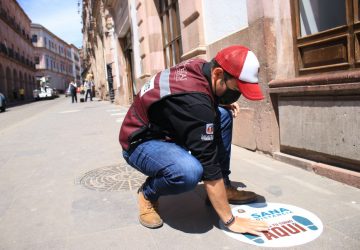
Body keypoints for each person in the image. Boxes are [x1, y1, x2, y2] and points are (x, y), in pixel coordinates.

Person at [119, 45, 268, 235]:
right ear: (218, 73)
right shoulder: (195, 104)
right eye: (236, 88)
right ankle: (147, 194)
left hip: (166, 129)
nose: (237, 94)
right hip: (140, 142)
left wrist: (220, 101)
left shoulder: (200, 66)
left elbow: (193, 97)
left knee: (222, 114)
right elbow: (208, 162)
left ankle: (225, 185)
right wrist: (230, 220)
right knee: (189, 172)